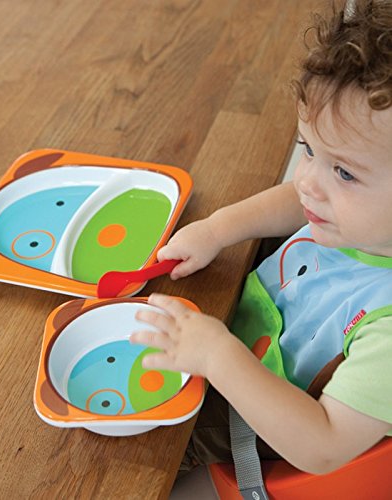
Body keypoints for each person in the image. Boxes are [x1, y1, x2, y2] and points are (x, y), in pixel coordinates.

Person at [130, 0, 392, 476]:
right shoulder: (359, 218)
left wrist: (217, 355)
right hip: (243, 327)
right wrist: (218, 229)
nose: (306, 180)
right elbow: (298, 199)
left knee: (138, 443)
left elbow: (322, 446)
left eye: (343, 172)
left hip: (257, 414)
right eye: (307, 148)